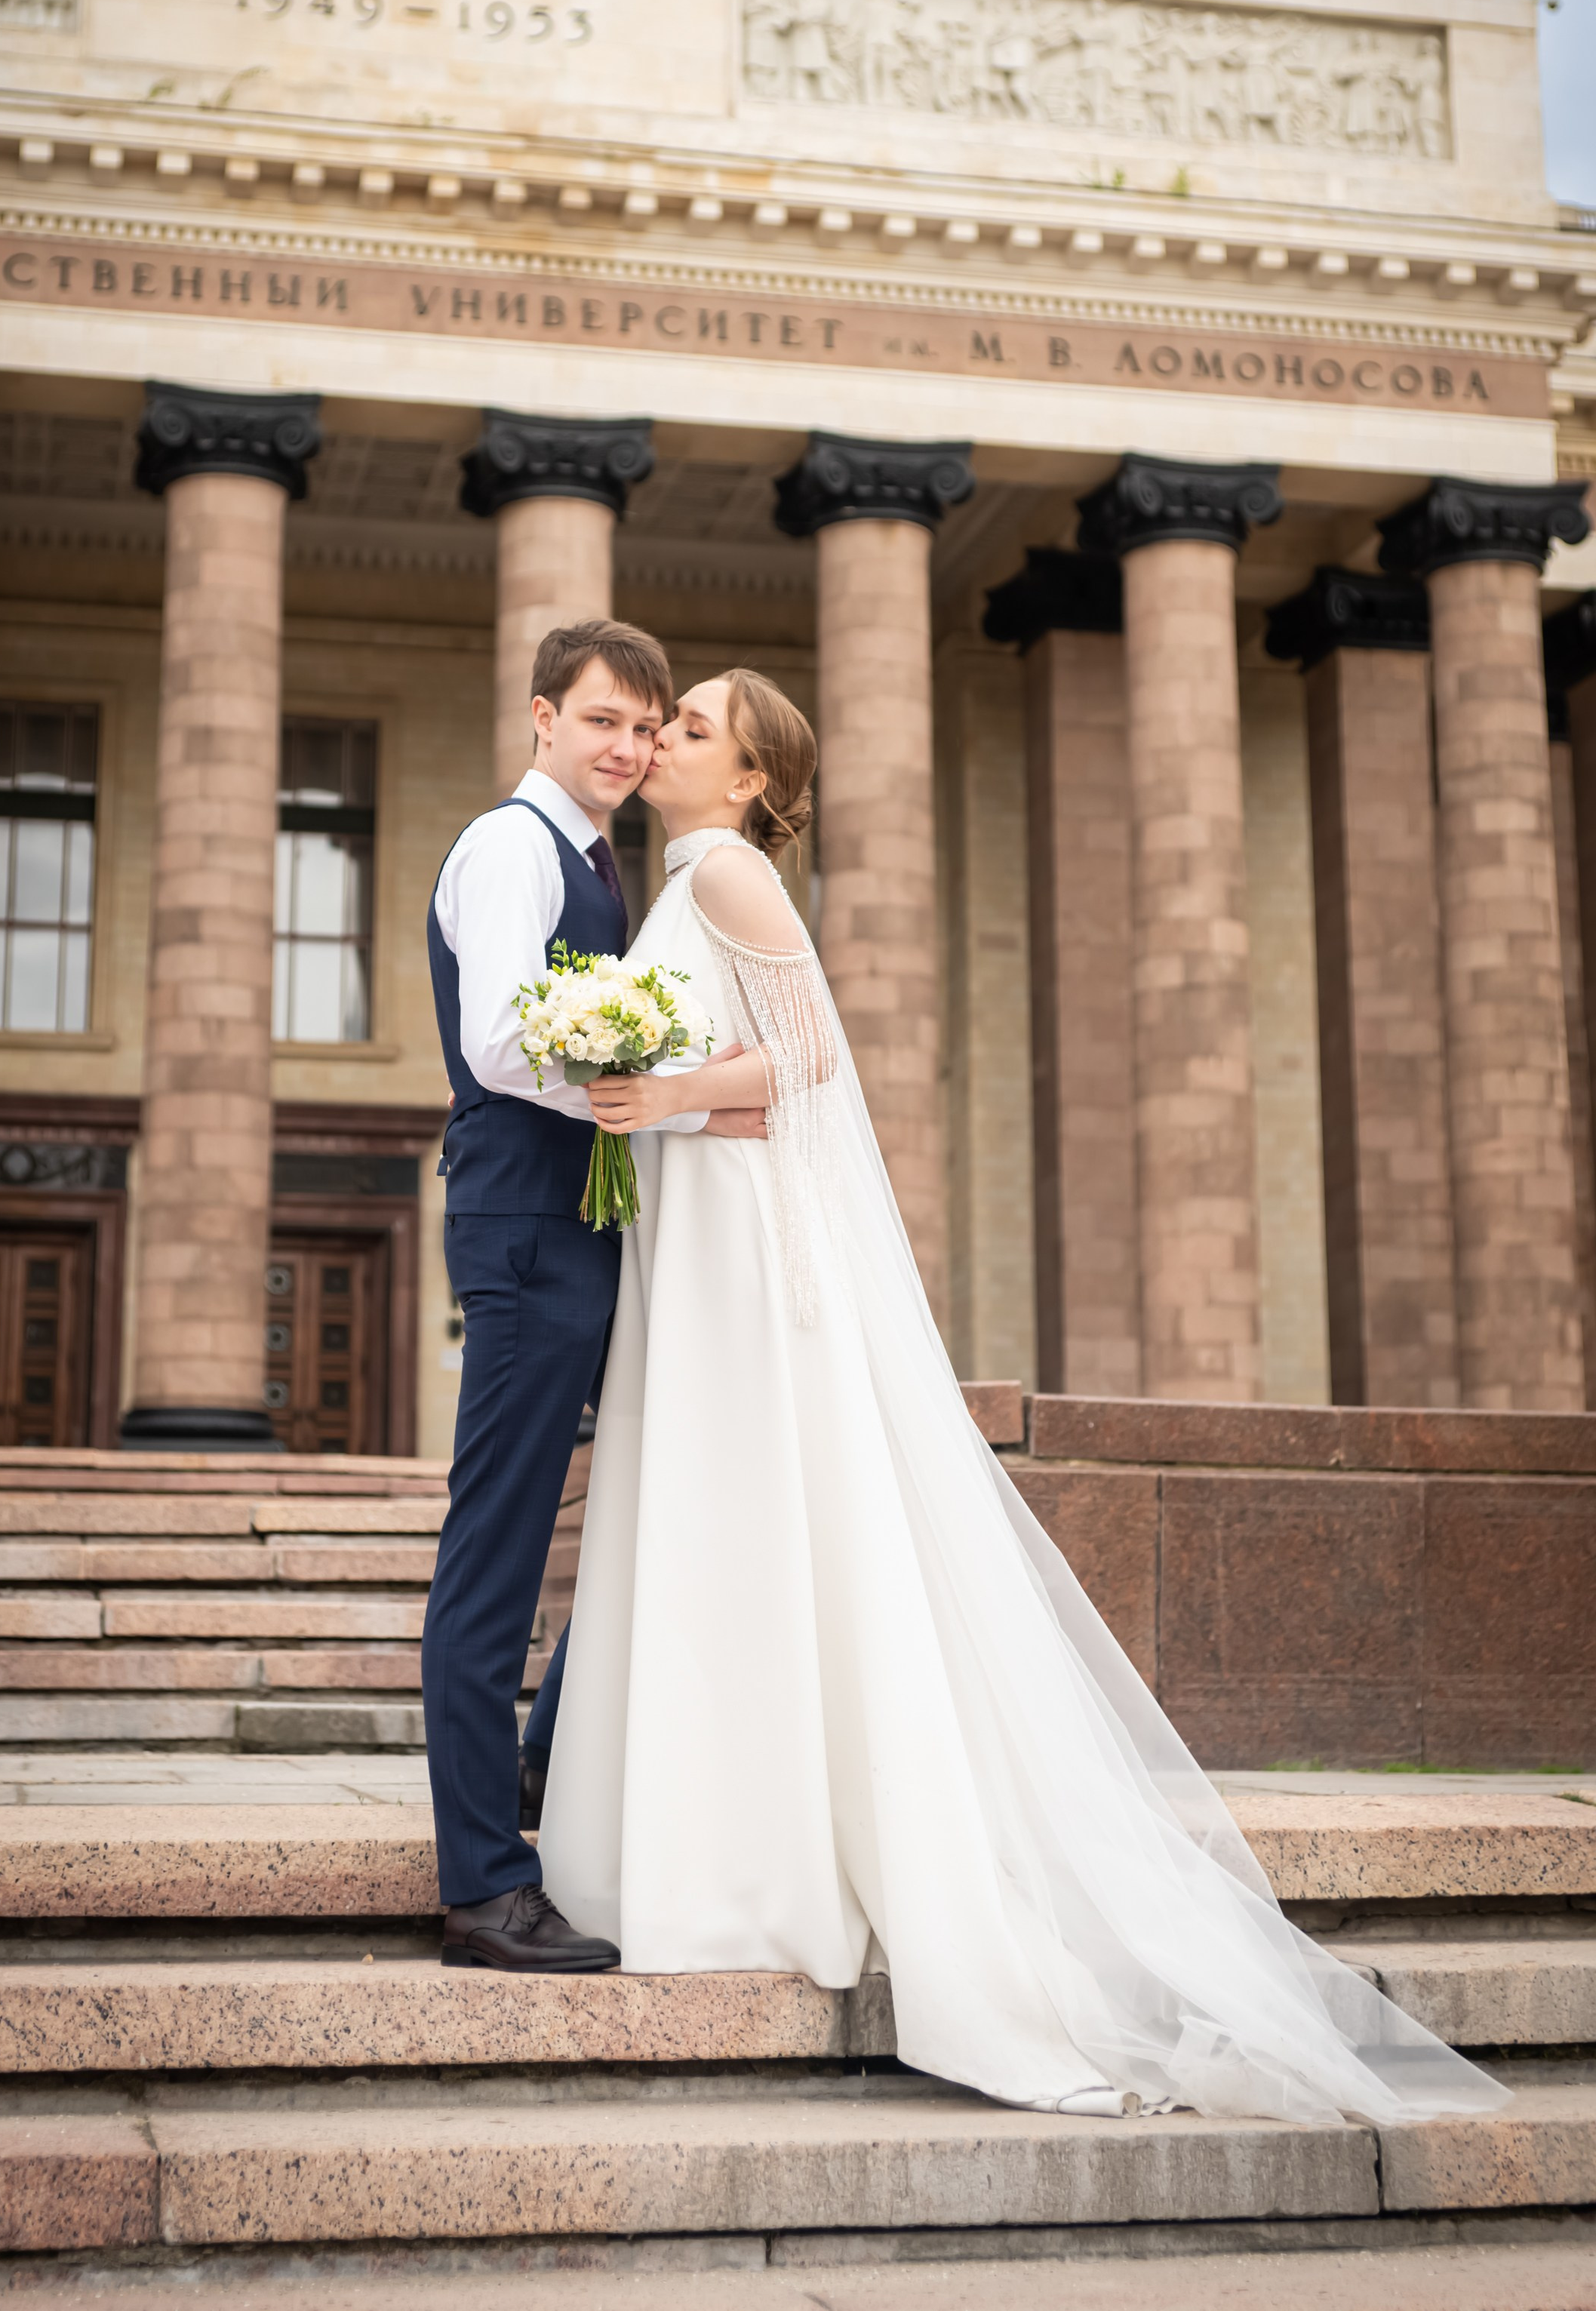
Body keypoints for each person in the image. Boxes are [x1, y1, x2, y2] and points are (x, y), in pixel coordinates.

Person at [537, 668, 1509, 2123]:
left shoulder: (729, 872)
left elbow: (809, 1065)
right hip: (702, 1232)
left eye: (688, 727)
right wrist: (657, 1087)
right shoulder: (682, 874)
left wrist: (656, 1093)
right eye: (661, 720)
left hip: (746, 1253)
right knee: (723, 1536)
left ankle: (756, 1872)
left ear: (745, 779)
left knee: (748, 1524)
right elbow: (746, 1077)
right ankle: (725, 1846)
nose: (660, 735)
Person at [420, 618, 760, 1975]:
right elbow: (503, 1042)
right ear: (543, 717)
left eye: (648, 724)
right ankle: (483, 1886)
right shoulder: (511, 847)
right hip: (525, 1228)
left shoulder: (591, 858)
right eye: (603, 720)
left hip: (580, 1225)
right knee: (496, 1550)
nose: (627, 747)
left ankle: (539, 1783)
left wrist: (671, 1106)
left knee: (623, 1516)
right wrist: (675, 1112)